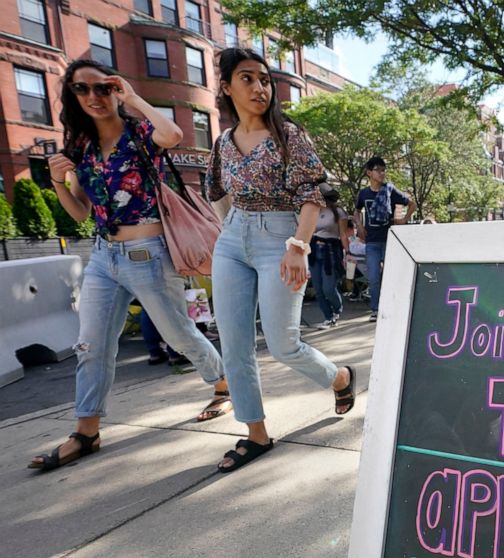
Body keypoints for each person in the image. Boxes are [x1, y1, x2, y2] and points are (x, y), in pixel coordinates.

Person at [30, 60, 229, 472]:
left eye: (103, 88)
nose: (93, 97)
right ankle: (86, 431)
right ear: (72, 95)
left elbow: (173, 135)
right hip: (103, 257)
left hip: (148, 253)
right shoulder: (80, 148)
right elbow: (82, 212)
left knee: (178, 333)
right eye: (82, 89)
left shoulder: (139, 133)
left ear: (115, 90)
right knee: (91, 345)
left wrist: (134, 98)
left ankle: (224, 384)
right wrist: (56, 183)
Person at [206, 48, 354, 473]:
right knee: (234, 344)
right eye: (247, 78)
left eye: (265, 79)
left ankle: (340, 378)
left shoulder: (289, 135)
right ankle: (255, 433)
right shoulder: (223, 143)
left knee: (283, 343)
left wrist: (297, 246)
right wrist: (230, 230)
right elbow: (215, 191)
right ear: (226, 87)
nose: (259, 87)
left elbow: (312, 195)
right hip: (233, 240)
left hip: (282, 239)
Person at [353, 156, 416, 322]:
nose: (381, 173)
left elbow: (412, 204)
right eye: (378, 170)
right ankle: (376, 310)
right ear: (369, 173)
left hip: (389, 241)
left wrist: (404, 220)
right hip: (372, 242)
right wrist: (359, 226)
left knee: (392, 276)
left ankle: (394, 307)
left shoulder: (390, 190)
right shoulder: (364, 193)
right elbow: (356, 211)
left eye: (383, 170)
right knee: (373, 278)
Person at [310, 188, 349, 328]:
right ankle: (328, 316)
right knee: (318, 289)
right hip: (314, 250)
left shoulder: (338, 212)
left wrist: (348, 253)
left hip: (331, 250)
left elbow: (343, 234)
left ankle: (337, 308)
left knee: (328, 288)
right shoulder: (313, 211)